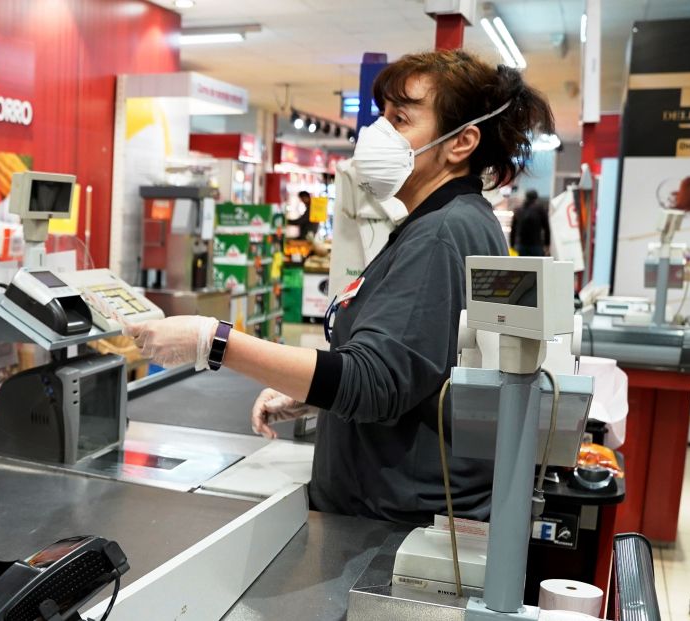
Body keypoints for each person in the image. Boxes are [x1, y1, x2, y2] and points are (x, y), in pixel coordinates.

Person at [126, 49, 554, 525]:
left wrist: (213, 341)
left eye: (401, 119)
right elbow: (421, 367)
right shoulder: (455, 222)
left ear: (461, 143)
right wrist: (316, 393)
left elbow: (374, 381)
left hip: (390, 526)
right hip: (401, 506)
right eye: (381, 117)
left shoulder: (440, 234)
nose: (378, 134)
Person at [510, 189, 550, 256]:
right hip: (536, 245)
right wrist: (547, 244)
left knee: (523, 265)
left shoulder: (519, 210)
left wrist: (512, 244)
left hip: (521, 245)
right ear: (536, 198)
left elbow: (513, 230)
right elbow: (546, 228)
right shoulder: (540, 210)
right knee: (537, 265)